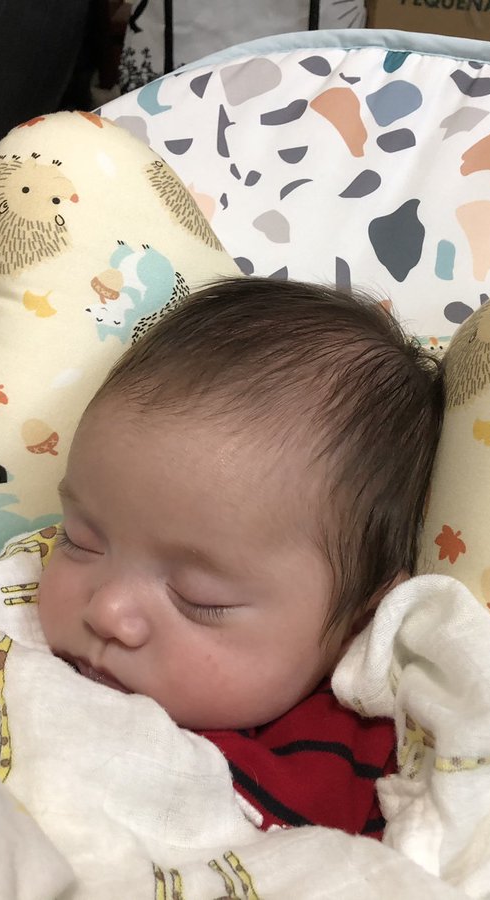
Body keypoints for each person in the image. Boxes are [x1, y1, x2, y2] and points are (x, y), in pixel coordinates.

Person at [33, 276, 445, 837]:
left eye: (197, 599)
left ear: (360, 619)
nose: (105, 611)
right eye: (80, 540)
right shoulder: (11, 626)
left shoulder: (354, 765)